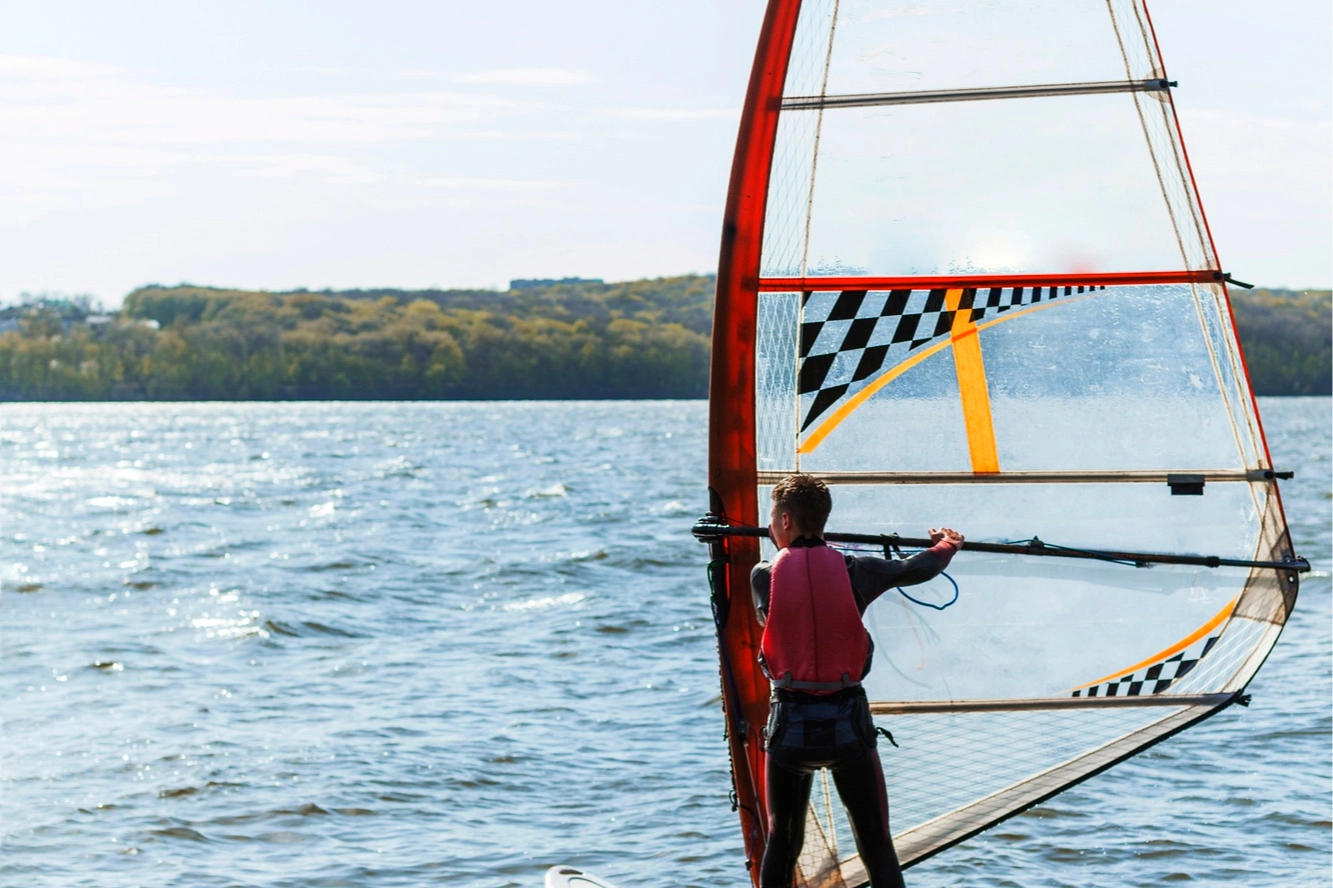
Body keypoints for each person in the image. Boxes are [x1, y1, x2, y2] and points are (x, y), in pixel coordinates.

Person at [751, 473, 963, 888]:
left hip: (790, 730)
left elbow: (775, 609)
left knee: (783, 843)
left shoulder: (763, 574)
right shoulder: (858, 570)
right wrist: (947, 545)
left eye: (773, 519)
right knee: (875, 844)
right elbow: (917, 568)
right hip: (848, 726)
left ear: (786, 520)